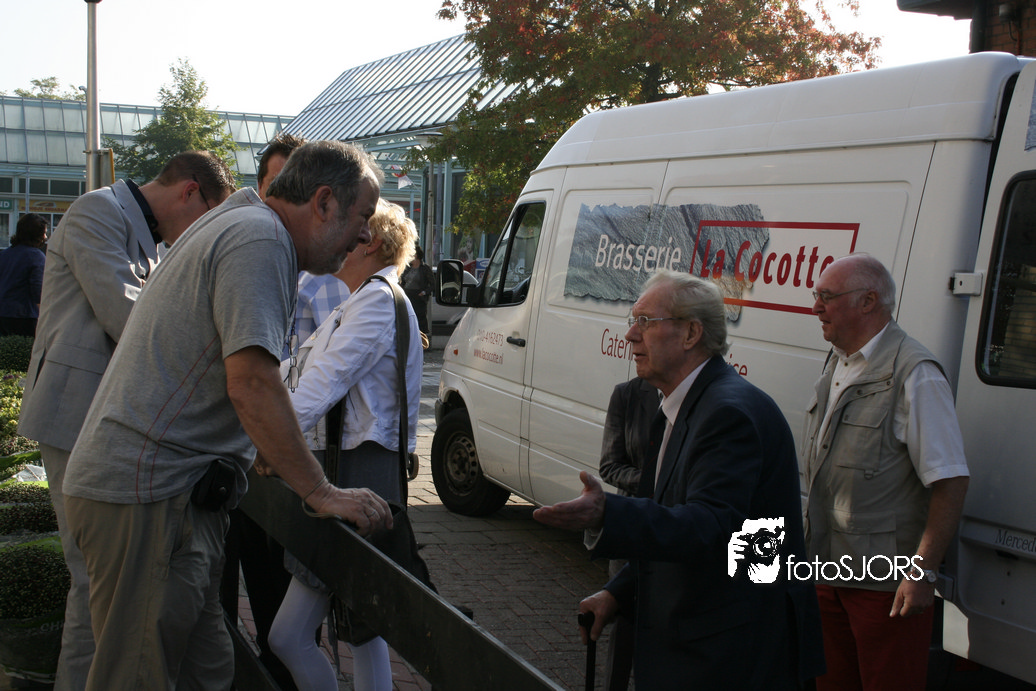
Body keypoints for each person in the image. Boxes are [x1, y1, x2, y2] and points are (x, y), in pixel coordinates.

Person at [60, 140, 393, 691]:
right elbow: (253, 383)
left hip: (163, 498)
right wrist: (320, 491)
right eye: (362, 217)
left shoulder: (245, 223)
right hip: (151, 500)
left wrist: (268, 451)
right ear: (324, 202)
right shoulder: (261, 241)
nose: (365, 236)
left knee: (210, 671)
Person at [533, 270, 824, 690]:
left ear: (691, 333)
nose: (631, 334)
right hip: (706, 646)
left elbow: (711, 527)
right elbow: (672, 517)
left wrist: (607, 512)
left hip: (729, 659)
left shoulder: (727, 414)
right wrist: (619, 591)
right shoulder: (681, 405)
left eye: (645, 321)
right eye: (633, 320)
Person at [17, 151, 235, 691]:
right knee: (94, 583)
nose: (203, 232)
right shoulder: (97, 211)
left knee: (107, 586)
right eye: (207, 216)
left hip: (109, 422)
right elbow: (131, 316)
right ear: (189, 191)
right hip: (75, 417)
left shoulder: (149, 238)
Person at [266, 198, 422, 691]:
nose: (335, 237)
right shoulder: (365, 299)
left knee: (292, 636)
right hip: (357, 465)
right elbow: (300, 375)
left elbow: (323, 382)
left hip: (356, 469)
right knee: (361, 626)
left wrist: (271, 440)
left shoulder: (375, 300)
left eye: (348, 228)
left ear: (370, 243)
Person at [803, 253, 970, 691]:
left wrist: (922, 572)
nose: (816, 307)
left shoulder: (915, 373)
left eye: (826, 297)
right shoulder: (837, 361)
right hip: (826, 571)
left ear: (868, 301)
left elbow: (950, 480)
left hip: (884, 587)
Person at [596, 376, 656, 691]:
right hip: (633, 527)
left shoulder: (698, 402)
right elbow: (609, 466)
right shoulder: (627, 395)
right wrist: (653, 481)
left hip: (673, 530)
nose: (635, 352)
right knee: (623, 626)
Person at [0, 214, 48, 337]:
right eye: (44, 233)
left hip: (3, 313)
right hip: (25, 316)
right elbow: (38, 291)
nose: (45, 237)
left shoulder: (4, 254)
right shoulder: (36, 257)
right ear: (36, 235)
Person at [401, 244, 434, 335]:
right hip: (407, 296)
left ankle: (421, 339)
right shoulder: (407, 268)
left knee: (419, 321)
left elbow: (432, 285)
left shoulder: (425, 268)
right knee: (407, 320)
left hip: (418, 298)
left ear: (416, 255)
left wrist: (424, 292)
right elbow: (402, 281)